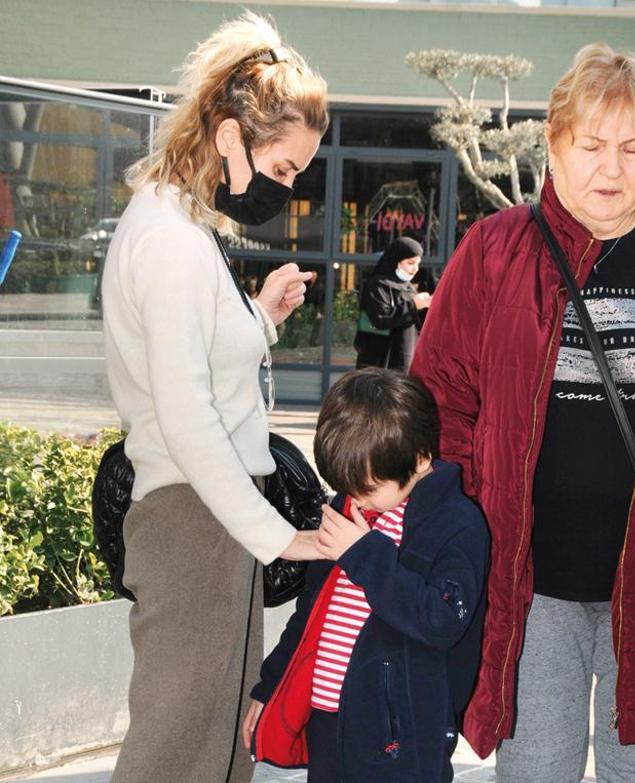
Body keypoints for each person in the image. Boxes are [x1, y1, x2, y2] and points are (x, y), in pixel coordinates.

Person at [411, 43, 635, 783]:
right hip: (529, 585)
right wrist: (469, 529)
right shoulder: (495, 252)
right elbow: (438, 405)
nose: (610, 168)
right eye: (593, 145)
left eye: (632, 147)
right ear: (555, 142)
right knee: (534, 770)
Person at [100, 12, 328, 783]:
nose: (288, 188)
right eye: (287, 167)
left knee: (216, 747)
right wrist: (280, 535)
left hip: (205, 520)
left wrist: (260, 316)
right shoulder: (168, 240)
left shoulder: (182, 229)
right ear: (230, 137)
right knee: (180, 749)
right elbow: (187, 418)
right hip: (193, 520)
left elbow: (198, 376)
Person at [241, 368, 489, 782]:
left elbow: (442, 619)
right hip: (329, 716)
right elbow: (311, 612)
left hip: (401, 730)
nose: (355, 498)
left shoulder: (457, 524)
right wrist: (271, 685)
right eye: (347, 486)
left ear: (421, 458)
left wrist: (365, 554)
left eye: (369, 487)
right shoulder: (351, 508)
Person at [355, 236, 432, 370]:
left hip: (405, 361)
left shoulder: (408, 287)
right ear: (396, 260)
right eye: (410, 263)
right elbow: (381, 319)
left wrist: (427, 305)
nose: (416, 268)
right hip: (381, 362)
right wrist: (413, 304)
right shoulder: (378, 285)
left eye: (418, 263)